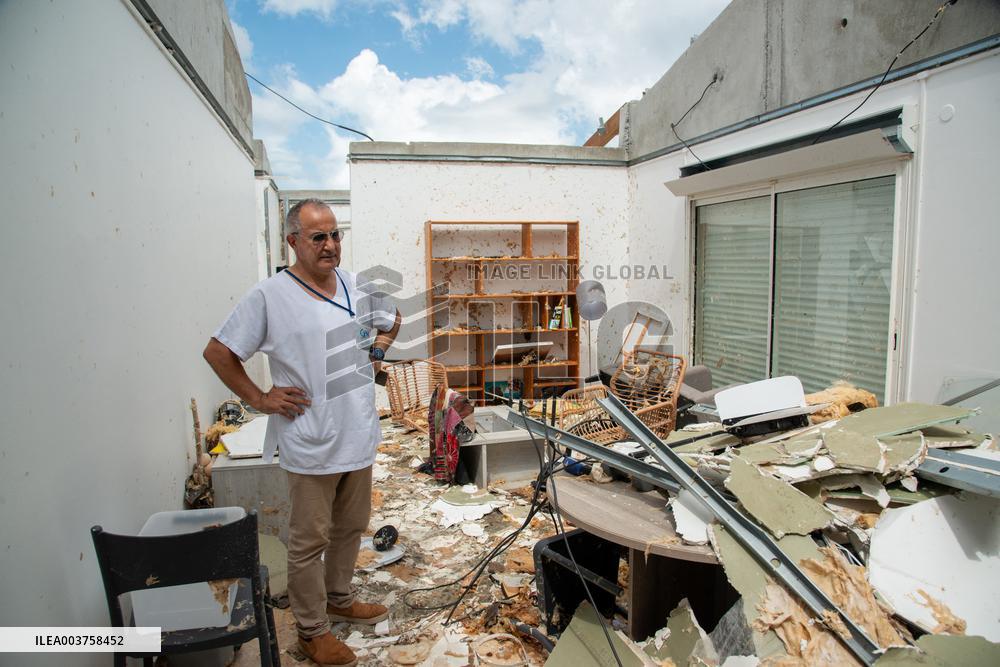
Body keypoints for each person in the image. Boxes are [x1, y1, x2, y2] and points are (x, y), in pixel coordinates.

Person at [203, 199, 400, 667]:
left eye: (335, 235)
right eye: (319, 237)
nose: (331, 245)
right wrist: (259, 398)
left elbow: (391, 321)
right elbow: (217, 352)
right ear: (293, 241)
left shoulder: (355, 284)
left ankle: (338, 596)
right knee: (309, 540)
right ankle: (313, 631)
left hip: (358, 433)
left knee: (351, 528)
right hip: (312, 438)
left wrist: (376, 352)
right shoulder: (270, 296)